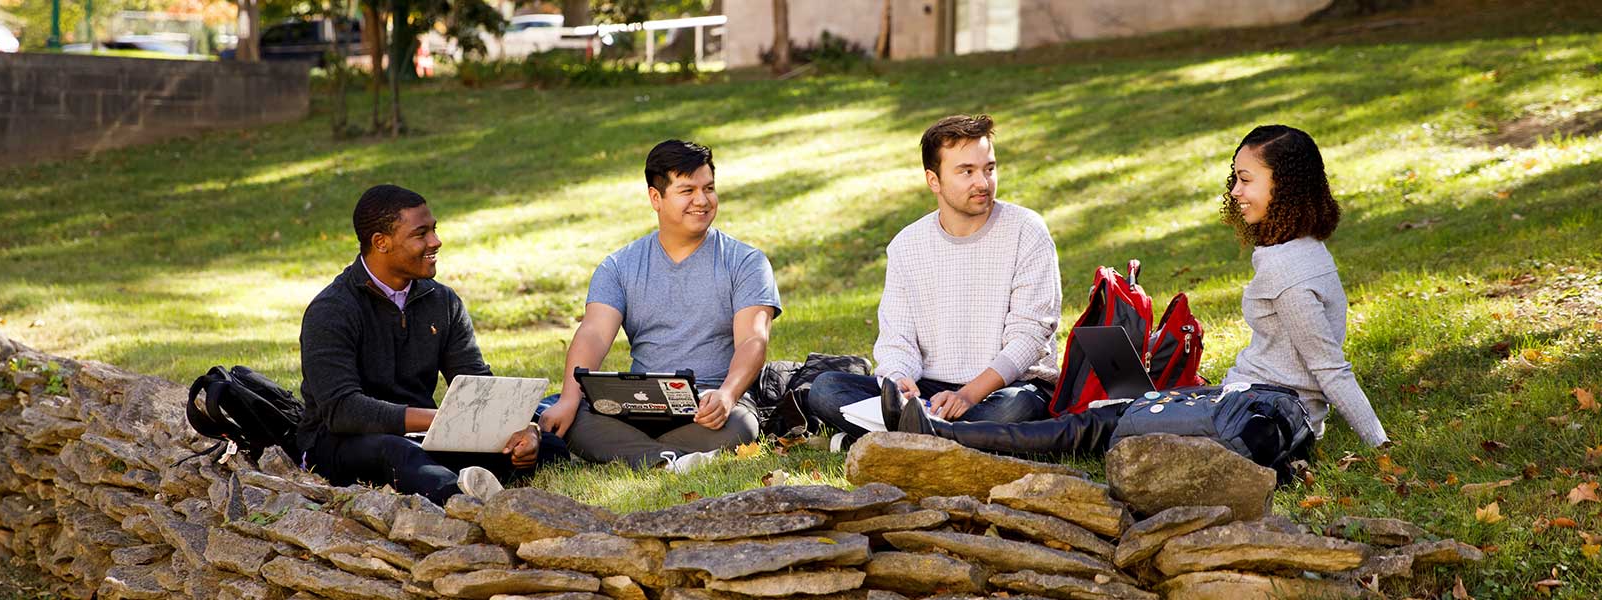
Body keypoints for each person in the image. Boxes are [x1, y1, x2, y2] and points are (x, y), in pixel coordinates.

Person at [889, 124, 1390, 453]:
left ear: (1285, 188)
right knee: (1121, 406)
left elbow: (1330, 367)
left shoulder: (1289, 272)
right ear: (934, 180)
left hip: (1257, 412)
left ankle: (950, 436)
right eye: (1235, 179)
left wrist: (1379, 444)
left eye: (1245, 179)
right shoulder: (1300, 254)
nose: (1234, 192)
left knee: (1099, 421)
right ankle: (930, 424)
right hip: (1244, 400)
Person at [296, 184, 568, 505]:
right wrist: (443, 419)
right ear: (380, 243)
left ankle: (464, 477)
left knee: (548, 447)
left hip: (423, 435)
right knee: (400, 454)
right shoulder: (331, 310)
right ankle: (461, 495)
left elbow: (477, 383)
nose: (435, 242)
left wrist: (524, 430)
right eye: (420, 234)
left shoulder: (442, 301)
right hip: (342, 441)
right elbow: (343, 410)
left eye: (434, 230)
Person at [804, 114, 1062, 446]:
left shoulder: (1027, 230)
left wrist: (969, 395)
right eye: (967, 171)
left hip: (1002, 388)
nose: (982, 182)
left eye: (989, 168)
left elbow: (1030, 337)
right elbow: (897, 338)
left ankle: (888, 438)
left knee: (1016, 409)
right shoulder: (906, 246)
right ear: (934, 180)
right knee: (826, 388)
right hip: (929, 391)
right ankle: (937, 435)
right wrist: (899, 381)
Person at [538, 140, 781, 470]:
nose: (702, 200)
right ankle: (667, 458)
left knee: (741, 427)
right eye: (687, 190)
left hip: (709, 406)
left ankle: (635, 454)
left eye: (708, 188)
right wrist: (569, 398)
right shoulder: (619, 266)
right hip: (638, 404)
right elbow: (593, 333)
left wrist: (727, 394)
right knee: (554, 412)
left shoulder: (746, 262)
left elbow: (754, 339)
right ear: (656, 198)